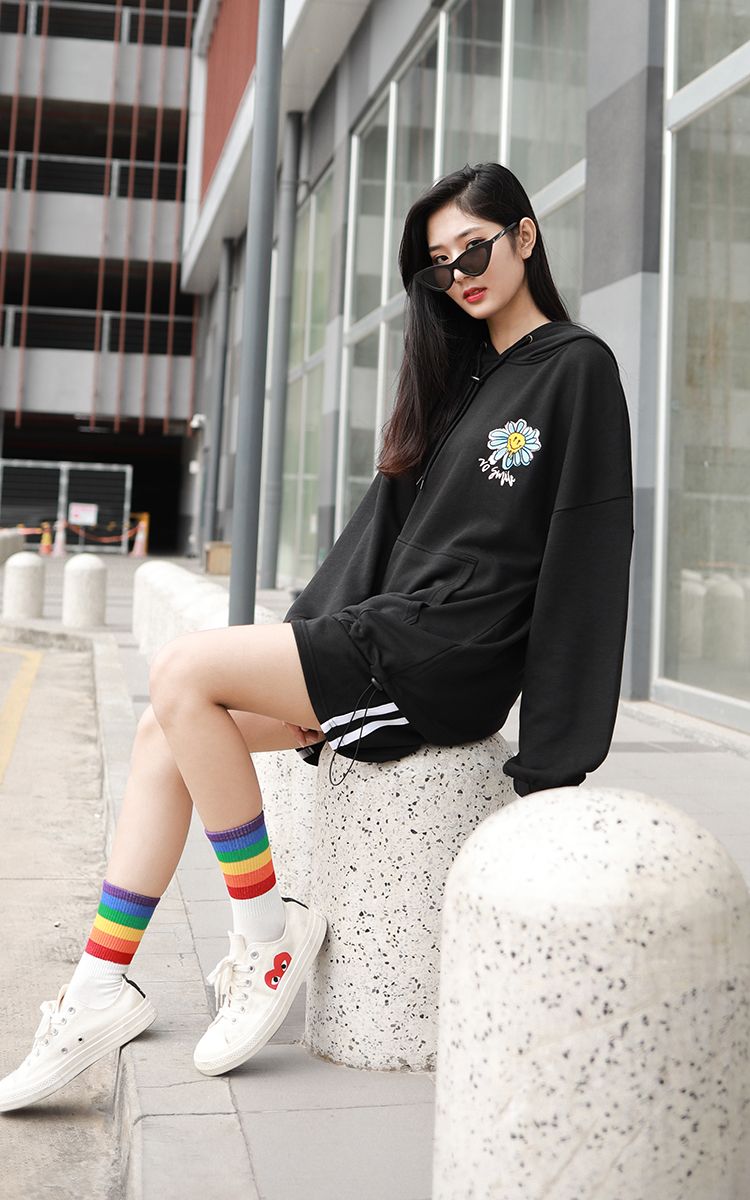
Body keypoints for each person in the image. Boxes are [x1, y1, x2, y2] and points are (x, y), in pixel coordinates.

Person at [0, 161, 633, 1113]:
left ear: (525, 236)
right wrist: (304, 660)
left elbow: (588, 555)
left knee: (183, 671)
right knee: (165, 727)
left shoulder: (577, 368)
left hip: (451, 656)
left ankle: (264, 937)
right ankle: (100, 986)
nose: (459, 275)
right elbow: (381, 533)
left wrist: (552, 767)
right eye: (438, 265)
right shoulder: (460, 378)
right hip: (388, 637)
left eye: (473, 249)